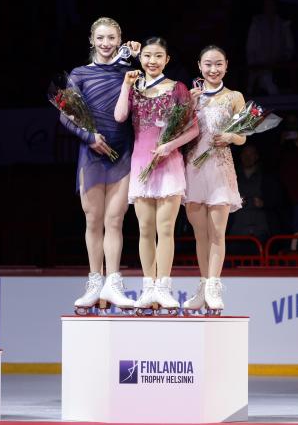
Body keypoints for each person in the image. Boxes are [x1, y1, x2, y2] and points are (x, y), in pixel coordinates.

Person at [59, 17, 141, 314]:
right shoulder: (79, 74)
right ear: (91, 41)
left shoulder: (129, 72)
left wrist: (139, 57)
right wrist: (89, 137)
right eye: (101, 38)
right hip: (91, 155)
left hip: (123, 153)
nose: (106, 44)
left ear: (120, 41)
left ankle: (114, 282)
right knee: (93, 221)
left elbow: (146, 96)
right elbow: (65, 115)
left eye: (112, 38)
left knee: (115, 221)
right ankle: (94, 282)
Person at [114, 37, 199, 314]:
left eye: (158, 56)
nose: (152, 61)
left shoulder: (178, 89)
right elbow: (119, 117)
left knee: (165, 230)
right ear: (142, 59)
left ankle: (164, 286)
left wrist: (169, 146)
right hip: (141, 165)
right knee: (145, 230)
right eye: (148, 56)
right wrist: (126, 85)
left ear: (167, 60)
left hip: (169, 164)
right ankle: (147, 286)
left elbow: (193, 129)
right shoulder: (133, 88)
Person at [182, 45, 246, 314]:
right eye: (208, 64)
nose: (213, 69)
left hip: (220, 168)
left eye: (218, 64)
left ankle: (214, 286)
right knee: (201, 235)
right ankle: (203, 284)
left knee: (217, 233)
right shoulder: (189, 96)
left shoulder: (234, 97)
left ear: (227, 65)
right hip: (194, 169)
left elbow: (243, 136)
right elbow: (178, 132)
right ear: (199, 65)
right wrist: (189, 107)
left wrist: (231, 137)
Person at [246, 0, 294, 95]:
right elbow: (251, 48)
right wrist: (254, 65)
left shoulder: (283, 25)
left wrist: (282, 59)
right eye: (267, 5)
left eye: (272, 5)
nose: (269, 8)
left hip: (278, 68)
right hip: (259, 67)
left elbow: (289, 48)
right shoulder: (257, 24)